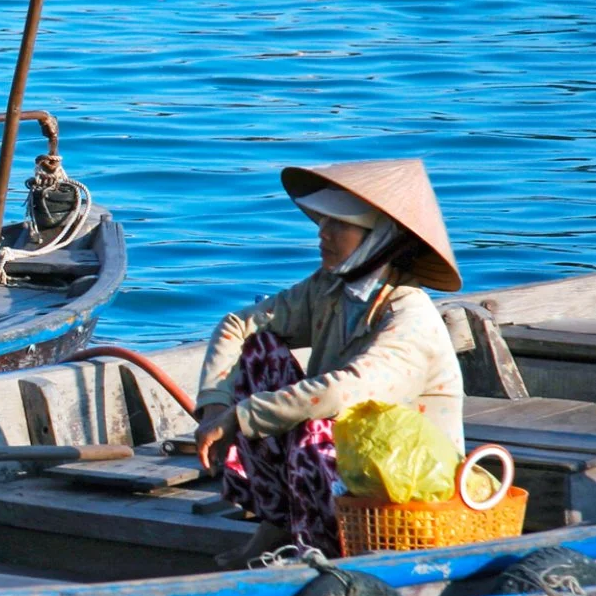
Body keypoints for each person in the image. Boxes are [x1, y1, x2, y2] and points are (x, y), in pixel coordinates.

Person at [193, 159, 465, 561]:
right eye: (324, 221)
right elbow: (239, 325)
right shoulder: (329, 290)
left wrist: (239, 417)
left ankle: (317, 553)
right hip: (348, 455)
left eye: (339, 224)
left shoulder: (410, 315)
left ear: (380, 238)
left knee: (315, 431)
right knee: (259, 351)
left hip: (407, 480)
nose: (323, 232)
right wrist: (216, 402)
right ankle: (278, 526)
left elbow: (344, 392)